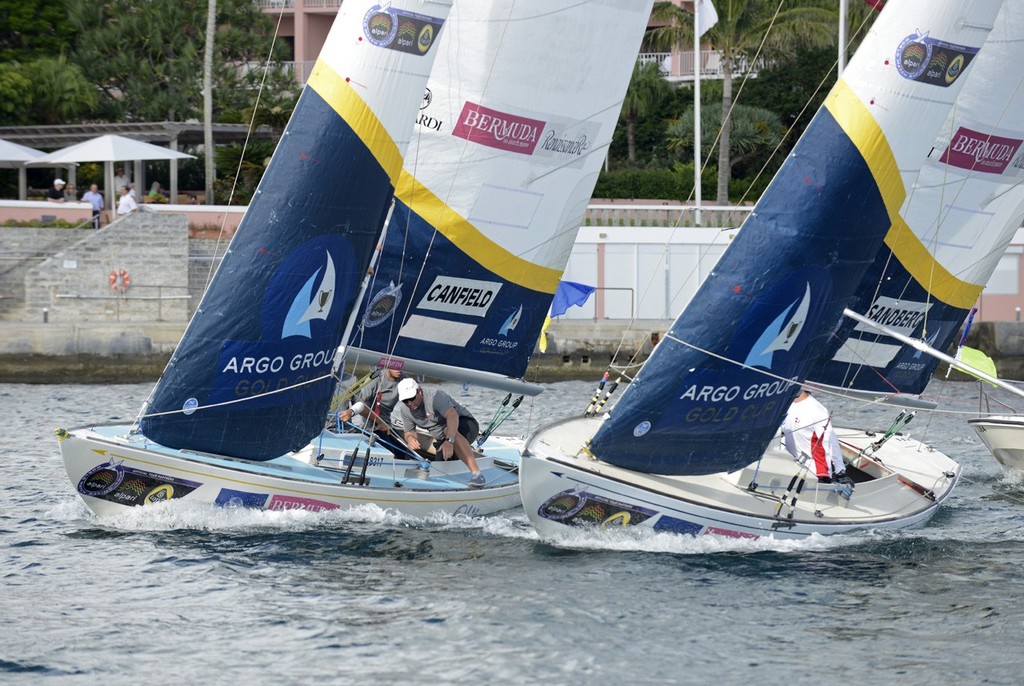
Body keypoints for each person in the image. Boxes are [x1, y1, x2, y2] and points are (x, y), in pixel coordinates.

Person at [397, 378, 485, 487]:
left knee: (447, 430)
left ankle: (477, 474)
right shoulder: (405, 410)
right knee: (439, 467)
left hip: (465, 424)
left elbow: (452, 415)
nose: (409, 403)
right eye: (405, 400)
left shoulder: (435, 396)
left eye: (412, 398)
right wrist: (410, 439)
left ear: (419, 391)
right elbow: (409, 431)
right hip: (443, 438)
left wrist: (449, 440)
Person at [339, 368, 417, 460]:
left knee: (404, 452)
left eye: (401, 366)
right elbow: (360, 406)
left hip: (386, 425)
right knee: (392, 455)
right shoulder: (376, 379)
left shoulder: (404, 380)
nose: (398, 369)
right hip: (370, 426)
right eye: (395, 366)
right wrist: (379, 422)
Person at [781, 387, 854, 487]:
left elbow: (831, 442)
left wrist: (840, 471)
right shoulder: (786, 404)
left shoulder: (817, 410)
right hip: (790, 466)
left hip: (815, 473)